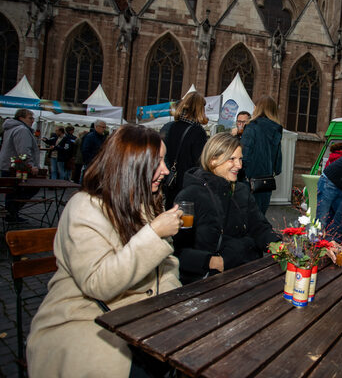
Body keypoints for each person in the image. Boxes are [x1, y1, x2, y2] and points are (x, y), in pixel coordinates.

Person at [26, 124, 183, 377]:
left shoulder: (144, 204)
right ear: (131, 164)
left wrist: (166, 309)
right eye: (158, 162)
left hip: (140, 321)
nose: (165, 170)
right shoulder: (85, 207)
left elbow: (167, 268)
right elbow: (98, 284)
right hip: (84, 321)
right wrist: (154, 233)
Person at [173, 133, 280, 283]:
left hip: (244, 275)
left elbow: (259, 227)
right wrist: (213, 262)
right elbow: (177, 251)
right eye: (232, 159)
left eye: (240, 159)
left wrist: (280, 247)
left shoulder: (241, 191)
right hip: (207, 284)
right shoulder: (191, 196)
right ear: (213, 160)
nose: (239, 165)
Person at [163, 91, 209, 209]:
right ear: (199, 109)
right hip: (187, 186)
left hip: (170, 182)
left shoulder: (171, 126)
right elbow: (200, 164)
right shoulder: (198, 132)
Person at [240, 96, 283, 215]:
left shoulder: (251, 127)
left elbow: (244, 156)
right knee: (259, 219)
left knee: (246, 219)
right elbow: (277, 160)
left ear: (259, 108)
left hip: (249, 182)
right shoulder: (276, 129)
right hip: (266, 183)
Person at [0, 109, 40, 222]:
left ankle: (11, 214)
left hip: (9, 165)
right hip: (17, 167)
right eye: (30, 118)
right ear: (21, 118)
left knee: (12, 191)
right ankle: (11, 212)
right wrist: (31, 165)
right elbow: (23, 150)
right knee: (29, 188)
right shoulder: (22, 130)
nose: (32, 120)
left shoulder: (12, 128)